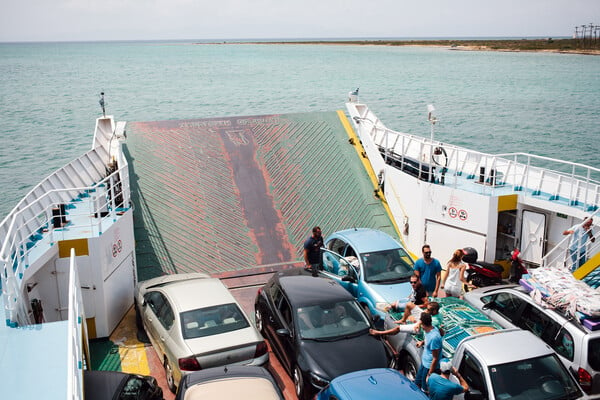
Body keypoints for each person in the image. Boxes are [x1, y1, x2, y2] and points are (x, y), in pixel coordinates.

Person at [414, 312, 442, 392]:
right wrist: (422, 342)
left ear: (423, 323)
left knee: (424, 388)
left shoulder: (434, 337)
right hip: (424, 363)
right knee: (417, 382)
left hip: (429, 367)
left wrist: (430, 373)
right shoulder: (429, 330)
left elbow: (435, 358)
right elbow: (428, 340)